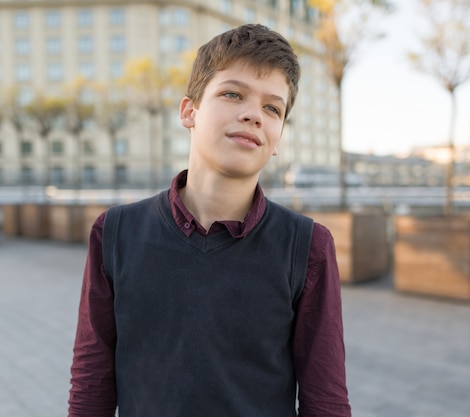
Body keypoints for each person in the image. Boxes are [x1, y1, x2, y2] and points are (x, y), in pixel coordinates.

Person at [68, 24, 351, 417]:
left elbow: (326, 400)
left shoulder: (307, 246)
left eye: (273, 108)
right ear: (189, 112)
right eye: (232, 94)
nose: (253, 114)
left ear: (278, 137)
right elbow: (91, 382)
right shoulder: (115, 233)